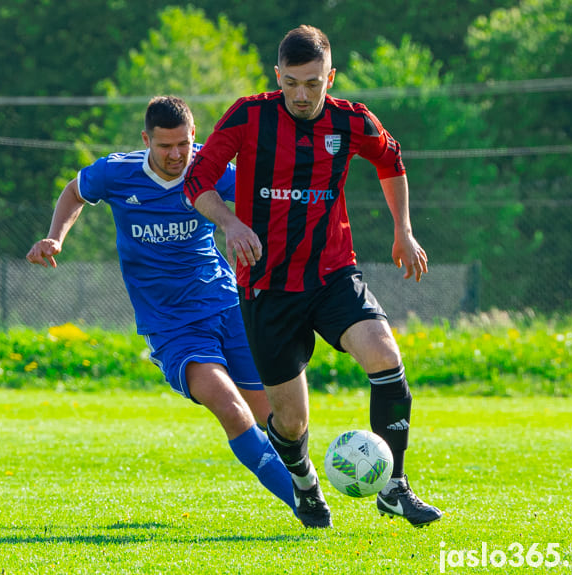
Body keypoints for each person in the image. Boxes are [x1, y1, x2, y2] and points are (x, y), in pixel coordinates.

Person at [184, 25, 443, 528]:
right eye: (293, 83)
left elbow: (391, 161)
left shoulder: (351, 121)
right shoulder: (249, 116)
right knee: (291, 420)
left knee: (386, 358)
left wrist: (403, 231)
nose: (302, 95)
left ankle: (395, 487)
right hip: (267, 285)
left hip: (331, 272)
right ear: (277, 76)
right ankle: (305, 487)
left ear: (331, 77)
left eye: (314, 83)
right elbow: (198, 180)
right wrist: (231, 221)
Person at [26, 96, 305, 524]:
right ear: (146, 141)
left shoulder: (209, 173)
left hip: (226, 305)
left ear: (196, 137)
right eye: (165, 146)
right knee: (230, 408)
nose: (177, 155)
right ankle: (308, 507)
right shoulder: (116, 173)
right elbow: (74, 192)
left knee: (278, 421)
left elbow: (266, 200)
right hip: (171, 325)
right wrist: (55, 237)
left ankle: (309, 488)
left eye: (184, 145)